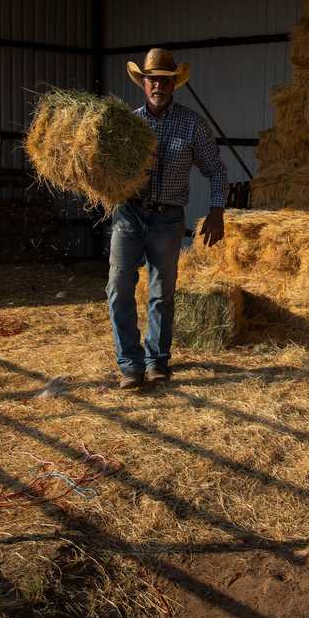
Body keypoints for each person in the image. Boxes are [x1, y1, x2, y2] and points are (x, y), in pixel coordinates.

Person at [106, 48, 227, 390]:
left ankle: (157, 362)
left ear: (174, 85)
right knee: (118, 288)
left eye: (164, 80)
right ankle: (130, 365)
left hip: (168, 219)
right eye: (152, 79)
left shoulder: (192, 125)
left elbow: (216, 170)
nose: (158, 85)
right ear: (142, 83)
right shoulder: (128, 125)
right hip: (129, 214)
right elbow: (106, 171)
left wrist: (217, 211)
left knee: (162, 293)